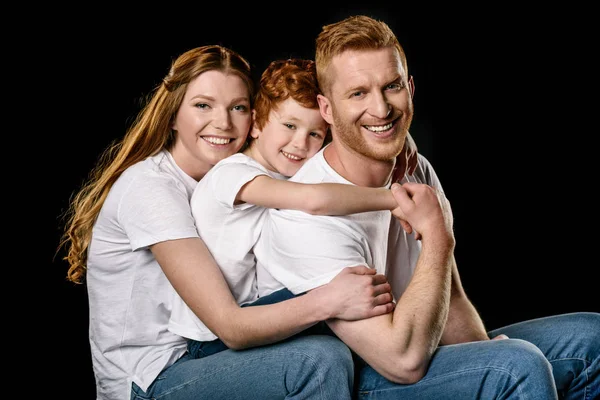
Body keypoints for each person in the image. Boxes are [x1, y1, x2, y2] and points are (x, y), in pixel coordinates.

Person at [253, 15, 600, 399]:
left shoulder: (415, 168)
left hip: (421, 345)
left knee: (591, 339)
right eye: (358, 94)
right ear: (327, 108)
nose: (381, 109)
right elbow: (400, 361)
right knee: (516, 365)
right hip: (362, 376)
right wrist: (438, 236)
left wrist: (486, 352)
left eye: (392, 86)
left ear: (410, 87)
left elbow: (449, 302)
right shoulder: (305, 215)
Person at [58, 44, 420, 400]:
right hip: (154, 376)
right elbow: (231, 326)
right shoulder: (153, 188)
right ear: (172, 115)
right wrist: (394, 202)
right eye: (203, 105)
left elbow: (327, 172)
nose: (224, 122)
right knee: (320, 358)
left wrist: (395, 143)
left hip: (212, 348)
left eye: (238, 107)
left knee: (355, 339)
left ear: (254, 117)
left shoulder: (261, 172)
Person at [168, 58, 420, 350]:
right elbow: (314, 200)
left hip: (261, 312)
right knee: (349, 292)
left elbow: (347, 138)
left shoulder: (286, 169)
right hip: (211, 337)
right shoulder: (232, 173)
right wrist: (394, 200)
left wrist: (401, 140)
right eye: (289, 125)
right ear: (256, 124)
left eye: (315, 134)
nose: (301, 143)